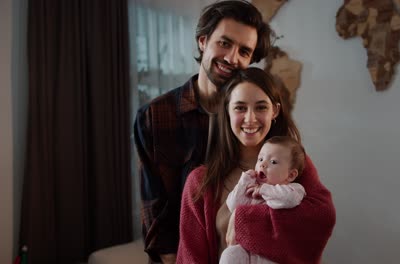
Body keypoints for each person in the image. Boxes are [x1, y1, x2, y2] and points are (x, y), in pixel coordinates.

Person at [133, 1, 273, 263]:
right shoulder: (154, 116)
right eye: (224, 43)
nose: (232, 58)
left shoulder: (250, 120)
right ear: (203, 40)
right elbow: (154, 210)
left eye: (244, 51)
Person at [177, 67, 336, 263]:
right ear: (227, 111)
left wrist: (243, 219)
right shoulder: (199, 182)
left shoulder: (294, 166)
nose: (250, 119)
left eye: (261, 107)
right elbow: (190, 257)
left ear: (274, 111)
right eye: (240, 107)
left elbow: (321, 218)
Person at [219, 136, 307, 264]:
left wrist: (263, 190)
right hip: (247, 250)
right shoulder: (253, 188)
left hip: (272, 253)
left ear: (291, 175)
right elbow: (233, 205)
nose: (263, 164)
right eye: (260, 159)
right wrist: (244, 182)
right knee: (230, 254)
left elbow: (289, 199)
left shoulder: (294, 189)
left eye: (273, 162)